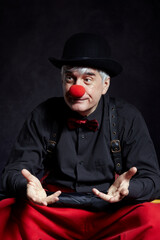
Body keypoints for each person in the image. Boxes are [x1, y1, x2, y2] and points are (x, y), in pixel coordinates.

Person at [0, 32, 160, 240]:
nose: (77, 88)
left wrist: (131, 188)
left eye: (87, 79)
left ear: (105, 85)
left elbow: (152, 178)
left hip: (110, 214)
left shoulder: (127, 117)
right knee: (7, 213)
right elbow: (11, 172)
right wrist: (26, 186)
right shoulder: (42, 114)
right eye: (70, 78)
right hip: (54, 211)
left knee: (153, 218)